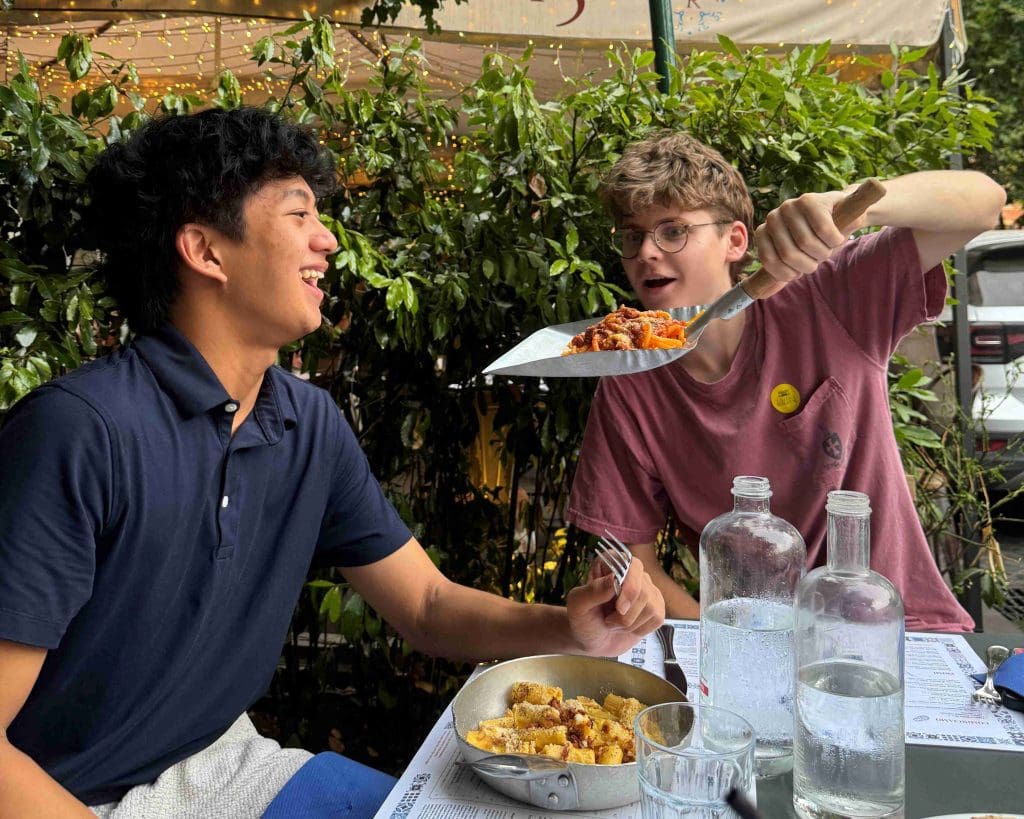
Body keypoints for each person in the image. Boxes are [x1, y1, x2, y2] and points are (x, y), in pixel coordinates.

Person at [0, 107, 665, 819]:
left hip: (224, 765)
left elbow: (428, 606)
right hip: (74, 797)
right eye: (299, 213)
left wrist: (573, 629)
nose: (327, 240)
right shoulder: (80, 431)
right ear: (206, 251)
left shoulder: (305, 424)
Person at [566, 131, 1006, 633]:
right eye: (633, 235)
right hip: (752, 650)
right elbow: (633, 561)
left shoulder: (830, 297)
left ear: (735, 240)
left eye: (672, 230)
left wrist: (845, 207)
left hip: (901, 632)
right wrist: (732, 640)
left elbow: (984, 201)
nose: (646, 251)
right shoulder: (629, 382)